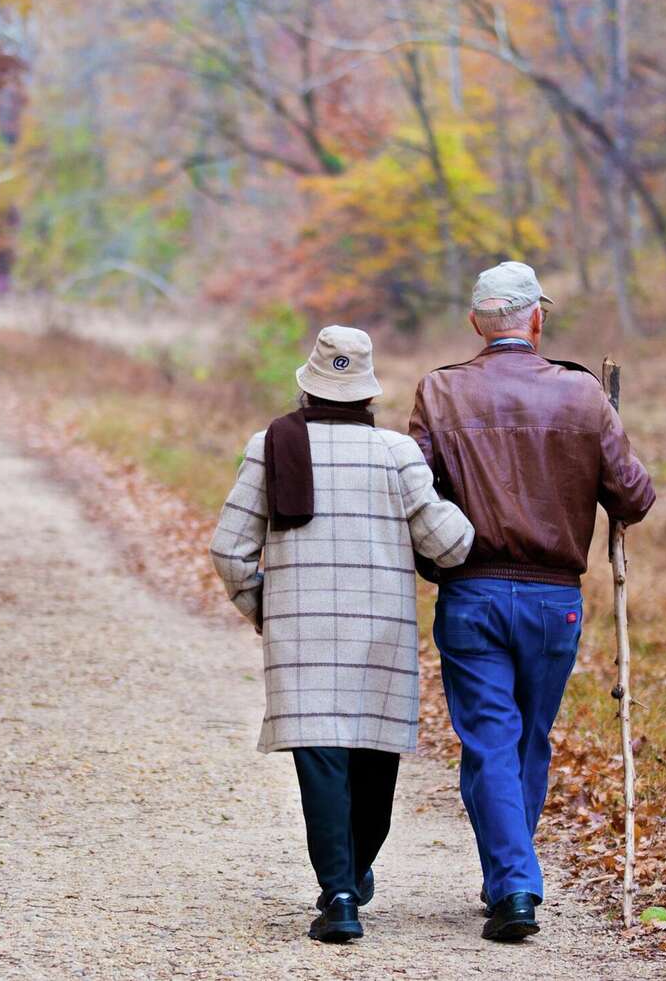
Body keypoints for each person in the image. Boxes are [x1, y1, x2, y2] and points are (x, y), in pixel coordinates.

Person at [408, 262, 656, 942]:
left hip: (472, 590)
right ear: (537, 320)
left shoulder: (440, 391)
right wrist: (604, 430)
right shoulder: (581, 395)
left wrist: (434, 550)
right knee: (526, 738)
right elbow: (635, 496)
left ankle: (510, 880)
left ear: (475, 324)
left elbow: (411, 489)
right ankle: (513, 879)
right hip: (554, 601)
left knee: (491, 738)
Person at [209, 325, 474, 944]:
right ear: (368, 396)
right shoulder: (396, 454)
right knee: (373, 758)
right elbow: (451, 546)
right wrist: (460, 503)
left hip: (300, 636)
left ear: (308, 388)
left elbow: (229, 550)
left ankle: (341, 893)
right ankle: (352, 874)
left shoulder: (269, 446)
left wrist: (265, 609)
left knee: (321, 758)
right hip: (380, 631)